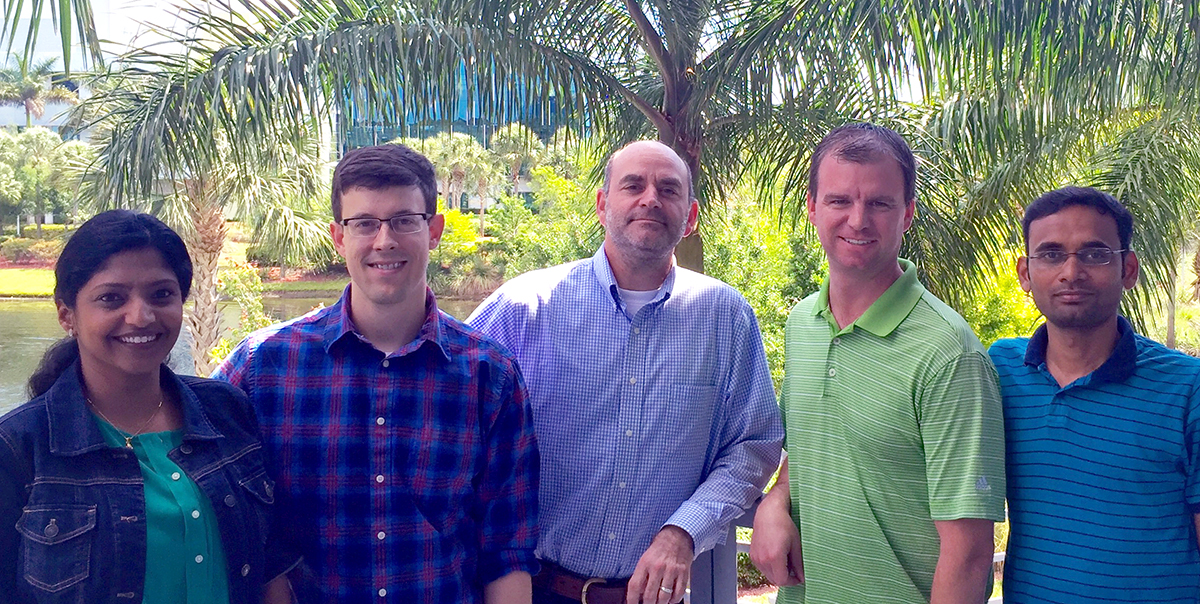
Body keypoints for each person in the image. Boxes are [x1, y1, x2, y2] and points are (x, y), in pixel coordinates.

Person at [212, 144, 539, 604]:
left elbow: (505, 550)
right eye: (364, 223)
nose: (384, 240)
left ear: (434, 230)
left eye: (405, 220)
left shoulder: (490, 376)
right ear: (338, 237)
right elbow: (212, 507)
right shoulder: (262, 366)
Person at [467, 140, 783, 604]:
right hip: (527, 590)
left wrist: (684, 531)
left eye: (668, 189)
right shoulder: (523, 308)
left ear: (690, 216)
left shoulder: (725, 316)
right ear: (602, 205)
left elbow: (752, 446)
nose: (650, 198)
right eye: (633, 185)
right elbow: (446, 412)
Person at [750, 123, 1005, 604]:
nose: (858, 219)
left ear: (907, 213)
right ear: (812, 208)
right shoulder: (803, 323)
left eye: (880, 203)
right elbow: (808, 444)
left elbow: (970, 554)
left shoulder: (950, 353)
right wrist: (775, 501)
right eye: (839, 201)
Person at [0, 210, 293, 604]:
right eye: (111, 298)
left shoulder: (226, 412)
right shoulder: (20, 447)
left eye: (161, 294)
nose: (140, 316)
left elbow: (270, 571)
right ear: (66, 313)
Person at [988, 187, 1200, 603]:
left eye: (1095, 253)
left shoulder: (1187, 387)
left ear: (1129, 269)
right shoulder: (1000, 371)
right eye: (1050, 254)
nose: (1071, 272)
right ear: (1025, 274)